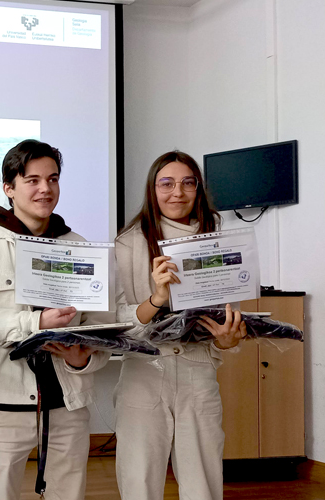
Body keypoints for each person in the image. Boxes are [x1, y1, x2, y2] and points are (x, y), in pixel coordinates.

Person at [0, 139, 112, 500]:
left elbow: (103, 327)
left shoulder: (79, 246)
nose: (45, 188)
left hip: (69, 402)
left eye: (53, 179)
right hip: (4, 402)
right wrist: (36, 323)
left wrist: (82, 359)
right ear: (9, 188)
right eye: (32, 180)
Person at [114, 151, 247, 499]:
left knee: (203, 483)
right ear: (152, 189)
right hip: (144, 372)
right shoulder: (127, 243)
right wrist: (157, 298)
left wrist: (227, 340)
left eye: (188, 183)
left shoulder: (219, 242)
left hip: (198, 372)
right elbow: (117, 321)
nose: (178, 192)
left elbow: (226, 322)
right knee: (139, 481)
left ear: (198, 189)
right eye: (167, 183)